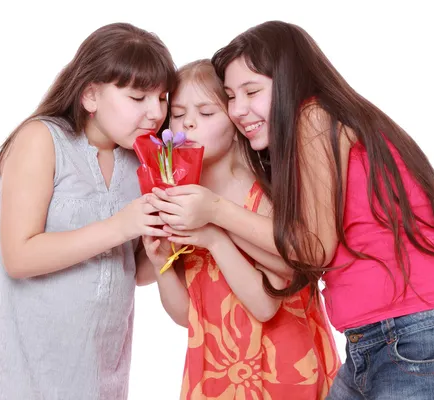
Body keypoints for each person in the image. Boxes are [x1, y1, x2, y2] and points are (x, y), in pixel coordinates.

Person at [149, 21, 434, 399]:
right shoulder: (304, 141)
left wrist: (214, 210)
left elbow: (311, 249)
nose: (239, 110)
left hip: (419, 336)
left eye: (252, 91)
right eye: (231, 96)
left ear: (291, 82)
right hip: (377, 340)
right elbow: (297, 259)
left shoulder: (313, 117)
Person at [0, 22, 175, 400]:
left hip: (100, 380)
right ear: (90, 96)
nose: (155, 113)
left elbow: (129, 271)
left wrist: (163, 246)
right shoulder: (42, 140)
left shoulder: (139, 161)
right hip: (26, 380)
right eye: (138, 97)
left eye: (162, 98)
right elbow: (17, 256)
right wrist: (120, 225)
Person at [143, 59, 340, 399]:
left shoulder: (263, 197)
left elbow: (265, 306)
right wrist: (160, 262)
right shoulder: (183, 202)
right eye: (178, 113)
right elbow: (189, 318)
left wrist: (215, 237)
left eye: (206, 113)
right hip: (216, 376)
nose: (188, 123)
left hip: (282, 372)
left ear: (235, 123)